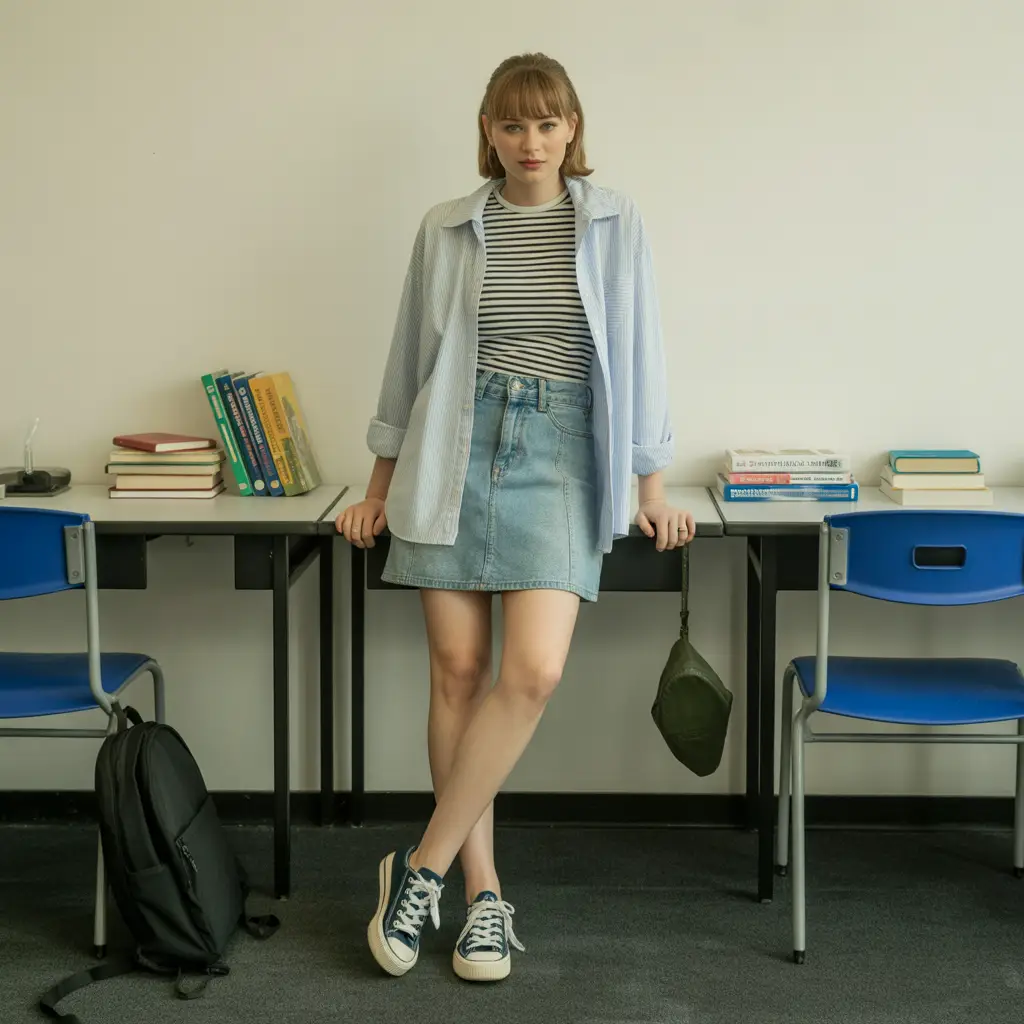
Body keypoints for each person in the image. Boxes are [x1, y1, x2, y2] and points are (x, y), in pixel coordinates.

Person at [335, 52, 694, 983]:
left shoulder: (614, 220)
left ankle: (419, 868)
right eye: (511, 124)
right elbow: (409, 361)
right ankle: (483, 896)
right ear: (488, 132)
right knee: (458, 674)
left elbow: (641, 351)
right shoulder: (448, 227)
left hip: (563, 454)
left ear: (572, 128)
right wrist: (376, 487)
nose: (530, 141)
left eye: (546, 122)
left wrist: (652, 488)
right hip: (453, 446)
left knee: (531, 673)